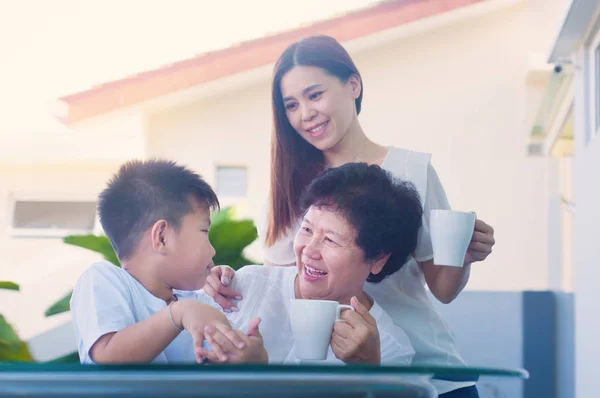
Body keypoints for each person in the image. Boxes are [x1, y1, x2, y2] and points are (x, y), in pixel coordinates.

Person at [205, 35, 495, 397]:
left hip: (421, 364)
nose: (305, 114)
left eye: (315, 95)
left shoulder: (412, 170)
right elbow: (280, 294)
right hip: (337, 375)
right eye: (291, 104)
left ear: (353, 84)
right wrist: (225, 283)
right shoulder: (287, 189)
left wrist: (464, 257)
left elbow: (443, 290)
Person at [203, 163, 419, 365]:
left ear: (378, 260)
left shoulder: (387, 349)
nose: (309, 250)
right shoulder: (245, 286)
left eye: (331, 240)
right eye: (306, 229)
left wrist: (368, 372)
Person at [70, 159, 267, 365]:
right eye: (204, 231)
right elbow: (107, 356)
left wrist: (252, 358)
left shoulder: (199, 302)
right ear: (162, 237)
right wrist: (179, 314)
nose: (213, 249)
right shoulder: (102, 279)